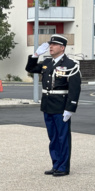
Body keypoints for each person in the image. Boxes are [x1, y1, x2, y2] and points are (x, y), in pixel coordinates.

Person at [25, 35, 81, 177]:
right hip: (47, 106)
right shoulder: (47, 63)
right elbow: (30, 68)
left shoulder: (71, 64)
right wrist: (35, 55)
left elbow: (74, 89)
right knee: (53, 137)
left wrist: (70, 108)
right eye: (50, 44)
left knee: (63, 137)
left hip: (61, 107)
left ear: (62, 47)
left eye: (54, 44)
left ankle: (63, 167)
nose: (51, 46)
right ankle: (56, 164)